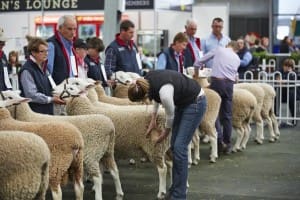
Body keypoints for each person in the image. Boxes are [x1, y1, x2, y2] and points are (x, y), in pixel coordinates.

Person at [127, 70, 207, 200]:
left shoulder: (164, 93)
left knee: (180, 148)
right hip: (183, 102)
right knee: (175, 147)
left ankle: (179, 195)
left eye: (142, 100)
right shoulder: (146, 81)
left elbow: (170, 115)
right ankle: (176, 189)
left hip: (195, 102)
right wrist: (153, 118)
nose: (143, 102)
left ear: (144, 95)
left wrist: (165, 133)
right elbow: (155, 98)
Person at [194, 41, 240, 154]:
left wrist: (196, 73)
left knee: (214, 113)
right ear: (235, 49)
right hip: (229, 86)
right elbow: (236, 78)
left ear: (227, 45)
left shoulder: (219, 49)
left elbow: (199, 62)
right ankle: (227, 143)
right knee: (227, 115)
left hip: (217, 83)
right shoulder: (237, 58)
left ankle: (219, 142)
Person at [19, 37, 65, 115]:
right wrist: (50, 99)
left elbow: (52, 86)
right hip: (35, 113)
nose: (46, 54)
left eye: (47, 51)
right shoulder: (27, 70)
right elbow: (31, 95)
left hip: (47, 111)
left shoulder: (44, 67)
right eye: (42, 51)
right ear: (33, 52)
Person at [47, 15, 78, 85]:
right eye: (69, 29)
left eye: (75, 29)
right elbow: (48, 73)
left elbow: (73, 71)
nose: (73, 33)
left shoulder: (71, 46)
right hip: (59, 91)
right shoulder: (51, 45)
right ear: (60, 28)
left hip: (71, 90)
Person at [275, 58, 299, 127]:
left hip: (292, 93)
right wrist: (284, 81)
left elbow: (288, 82)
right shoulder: (279, 71)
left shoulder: (294, 73)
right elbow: (278, 80)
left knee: (292, 97)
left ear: (292, 67)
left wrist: (284, 80)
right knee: (274, 97)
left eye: (289, 66)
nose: (287, 68)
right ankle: (275, 118)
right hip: (281, 92)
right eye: (285, 66)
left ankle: (294, 120)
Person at [0, 27, 12, 91]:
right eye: (1, 42)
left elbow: (6, 75)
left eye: (3, 42)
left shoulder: (3, 56)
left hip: (4, 92)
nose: (4, 44)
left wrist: (9, 90)